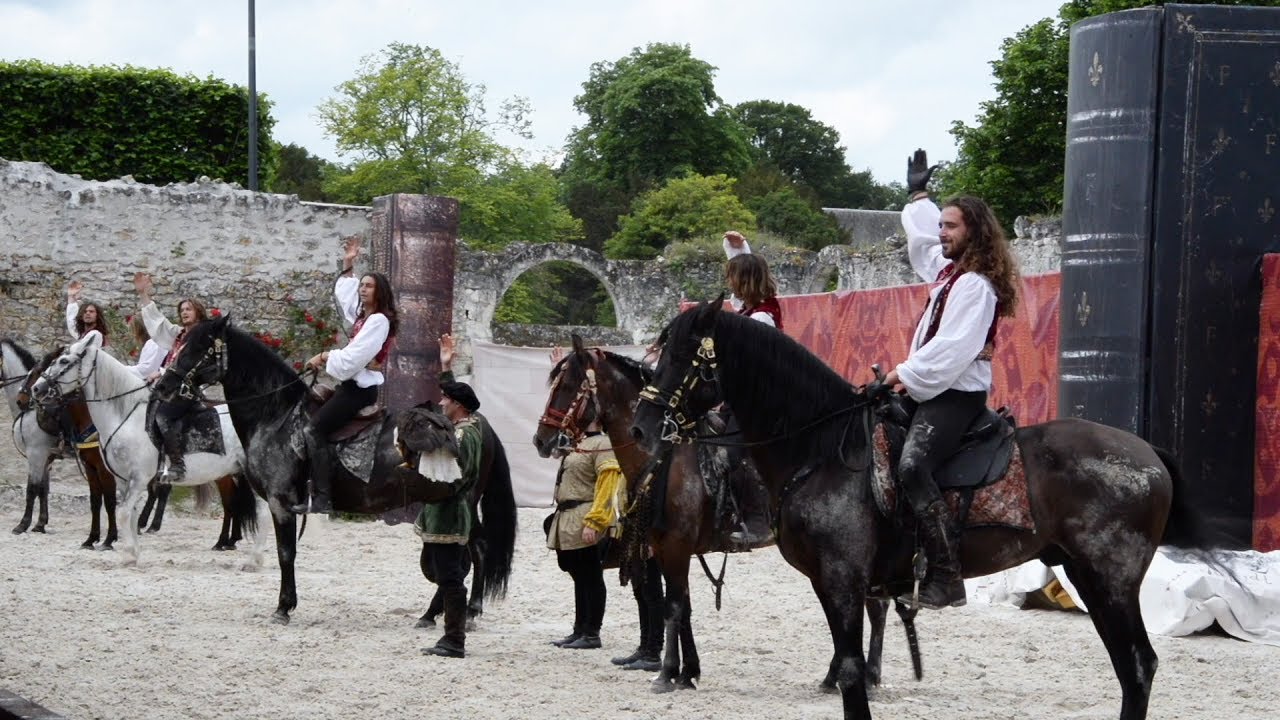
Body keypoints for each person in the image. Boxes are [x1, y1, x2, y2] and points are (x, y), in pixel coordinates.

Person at [875, 149, 1021, 610]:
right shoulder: (950, 274)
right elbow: (920, 245)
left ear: (974, 232)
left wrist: (904, 372)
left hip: (954, 395)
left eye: (951, 226)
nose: (941, 233)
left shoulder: (976, 285)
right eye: (941, 224)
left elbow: (955, 348)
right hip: (932, 388)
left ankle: (946, 575)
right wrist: (919, 196)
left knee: (913, 466)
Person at [295, 236, 397, 514]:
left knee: (313, 429)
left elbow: (353, 360)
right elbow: (346, 297)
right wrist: (348, 263)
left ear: (380, 292)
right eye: (362, 285)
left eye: (369, 286)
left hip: (359, 390)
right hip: (349, 386)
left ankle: (323, 498)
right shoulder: (365, 318)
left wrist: (325, 356)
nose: (362, 290)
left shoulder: (378, 321)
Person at [545, 349, 626, 651]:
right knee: (579, 576)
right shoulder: (579, 444)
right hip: (569, 517)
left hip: (588, 517)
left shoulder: (604, 444)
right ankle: (579, 628)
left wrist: (597, 519)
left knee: (591, 576)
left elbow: (608, 484)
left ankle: (592, 632)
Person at [411, 333, 481, 659]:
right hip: (444, 514)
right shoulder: (465, 426)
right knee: (446, 575)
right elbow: (452, 399)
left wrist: (425, 484)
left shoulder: (466, 435)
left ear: (458, 406)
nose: (440, 403)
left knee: (451, 579)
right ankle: (451, 636)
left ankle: (454, 639)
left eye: (446, 400)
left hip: (450, 515)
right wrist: (446, 367)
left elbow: (455, 477)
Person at [134, 271, 210, 483]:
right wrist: (143, 295)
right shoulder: (178, 334)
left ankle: (177, 465)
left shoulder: (202, 336)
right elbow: (158, 323)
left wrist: (161, 372)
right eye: (182, 310)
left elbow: (192, 364)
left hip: (189, 390)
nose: (184, 313)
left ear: (198, 312)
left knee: (163, 416)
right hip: (170, 388)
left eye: (189, 309)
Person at [126, 316, 165, 382]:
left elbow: (145, 370)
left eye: (134, 331)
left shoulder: (153, 343)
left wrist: (120, 368)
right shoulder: (155, 342)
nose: (134, 335)